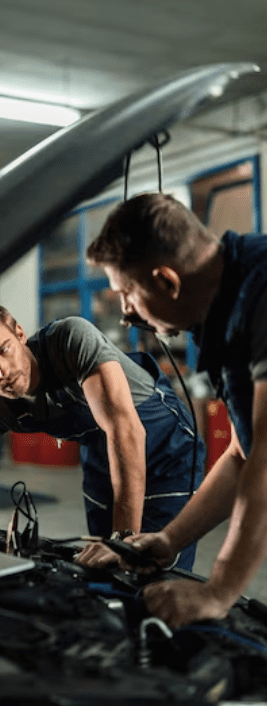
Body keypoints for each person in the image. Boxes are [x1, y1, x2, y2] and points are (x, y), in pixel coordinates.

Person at [0, 296, 205, 570]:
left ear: (20, 334)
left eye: (4, 349)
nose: (2, 371)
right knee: (102, 568)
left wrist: (121, 540)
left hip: (166, 447)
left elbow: (126, 431)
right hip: (103, 454)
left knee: (151, 564)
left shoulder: (70, 340)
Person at [80, 190, 267, 628]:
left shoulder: (262, 291)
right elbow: (244, 453)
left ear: (167, 281)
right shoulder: (221, 309)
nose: (126, 313)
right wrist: (169, 538)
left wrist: (219, 590)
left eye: (127, 292)